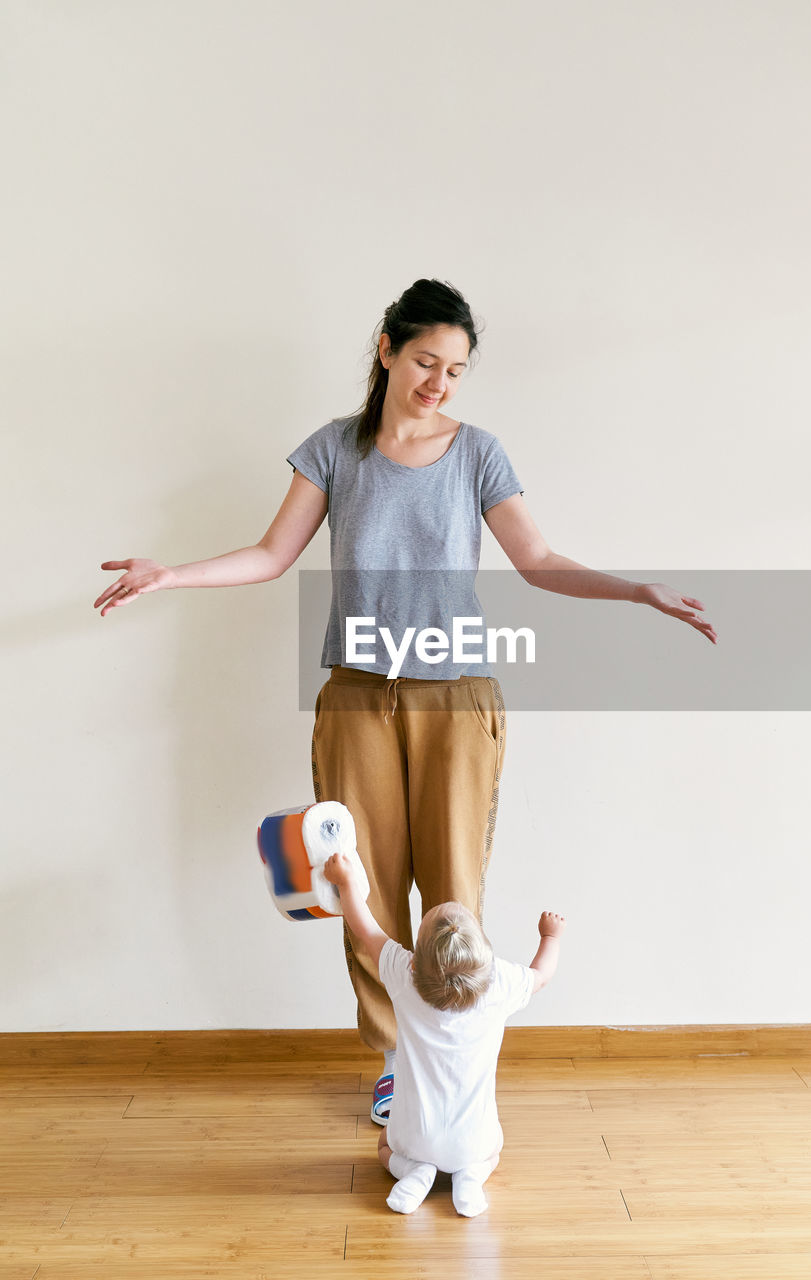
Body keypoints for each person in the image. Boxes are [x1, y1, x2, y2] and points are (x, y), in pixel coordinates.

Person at [94, 277, 716, 1125]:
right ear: (386, 348)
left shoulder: (478, 453)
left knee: (454, 889)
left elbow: (536, 560)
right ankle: (395, 1062)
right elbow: (272, 555)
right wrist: (172, 573)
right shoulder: (332, 451)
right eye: (426, 360)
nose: (439, 382)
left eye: (456, 369)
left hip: (456, 697)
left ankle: (455, 1060)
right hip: (355, 698)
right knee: (365, 888)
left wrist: (636, 590)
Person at [323, 848, 565, 1216]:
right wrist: (551, 937)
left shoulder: (405, 978)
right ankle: (470, 1177)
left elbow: (365, 928)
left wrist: (345, 883)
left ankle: (414, 1172)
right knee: (493, 1150)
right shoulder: (499, 983)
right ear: (485, 954)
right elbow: (542, 976)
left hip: (412, 1137)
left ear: (416, 960)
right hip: (475, 1142)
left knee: (383, 1147)